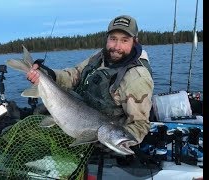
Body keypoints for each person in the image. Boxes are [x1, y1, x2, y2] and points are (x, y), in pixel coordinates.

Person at [27, 15, 154, 151]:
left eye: (124, 40)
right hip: (76, 112)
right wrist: (49, 74)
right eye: (113, 39)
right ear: (107, 39)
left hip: (98, 136)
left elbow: (140, 125)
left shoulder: (137, 78)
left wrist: (110, 143)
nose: (117, 46)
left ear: (135, 42)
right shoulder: (99, 57)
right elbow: (75, 74)